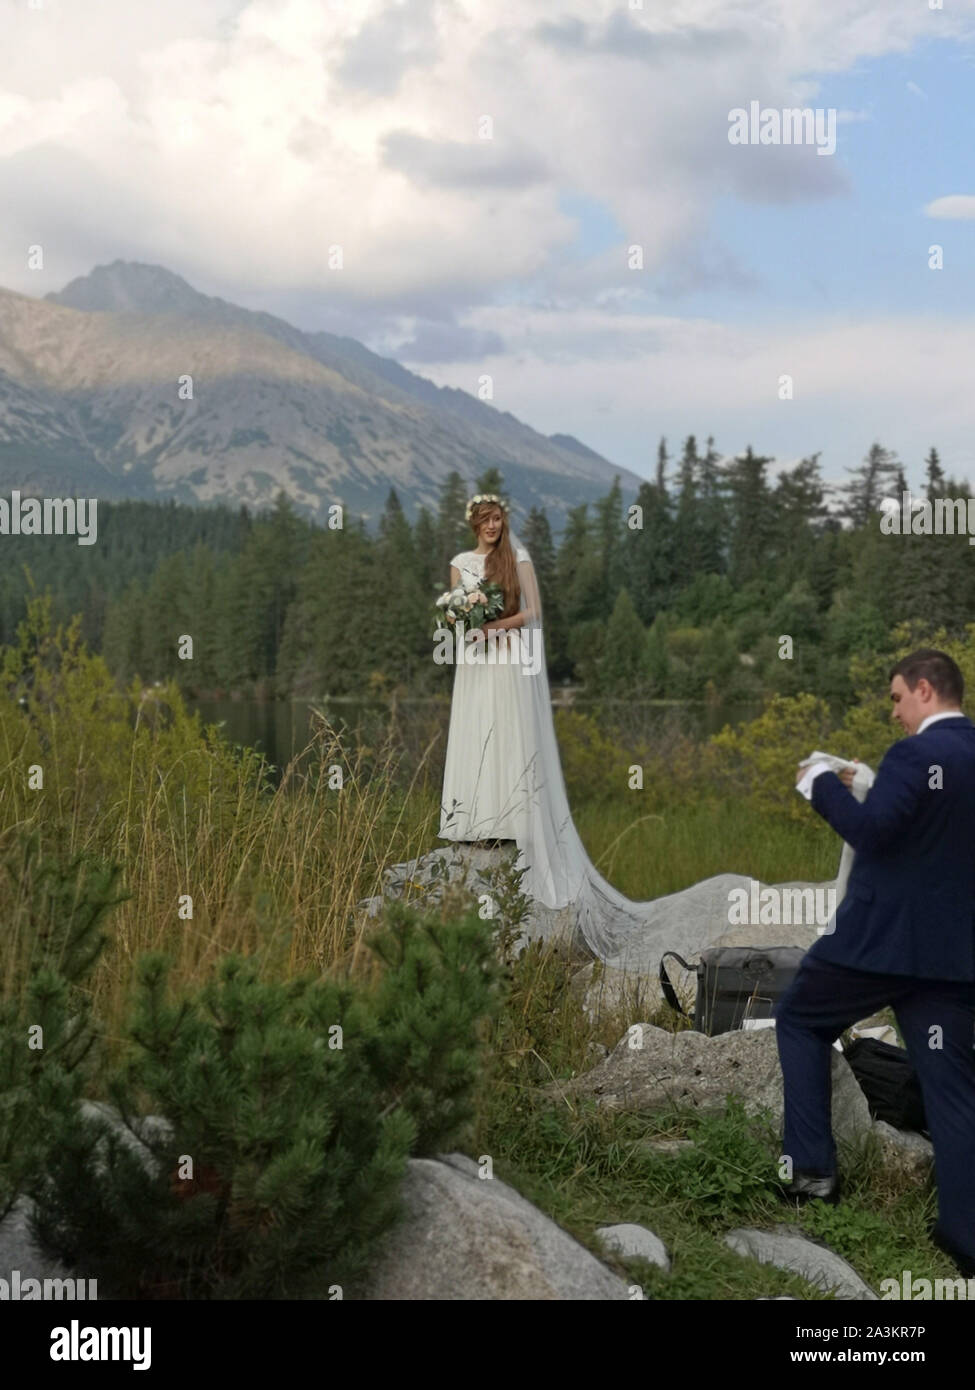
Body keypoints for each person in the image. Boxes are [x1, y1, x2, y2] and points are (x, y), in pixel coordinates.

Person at [775, 649, 975, 1276]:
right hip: (954, 959)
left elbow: (875, 834)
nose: (894, 712)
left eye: (895, 699)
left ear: (923, 689)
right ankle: (965, 1239)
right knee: (954, 1097)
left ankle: (812, 1172)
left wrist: (818, 787)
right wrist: (868, 781)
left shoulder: (916, 754)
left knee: (801, 1020)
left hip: (878, 945)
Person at [437, 493, 670, 959]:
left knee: (507, 732)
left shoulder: (517, 558)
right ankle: (476, 818)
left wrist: (498, 625)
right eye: (484, 520)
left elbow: (534, 612)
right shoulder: (460, 562)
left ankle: (513, 817)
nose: (491, 526)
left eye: (497, 518)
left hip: (508, 658)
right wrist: (468, 620)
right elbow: (455, 612)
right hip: (477, 661)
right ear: (473, 524)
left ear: (504, 521)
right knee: (477, 729)